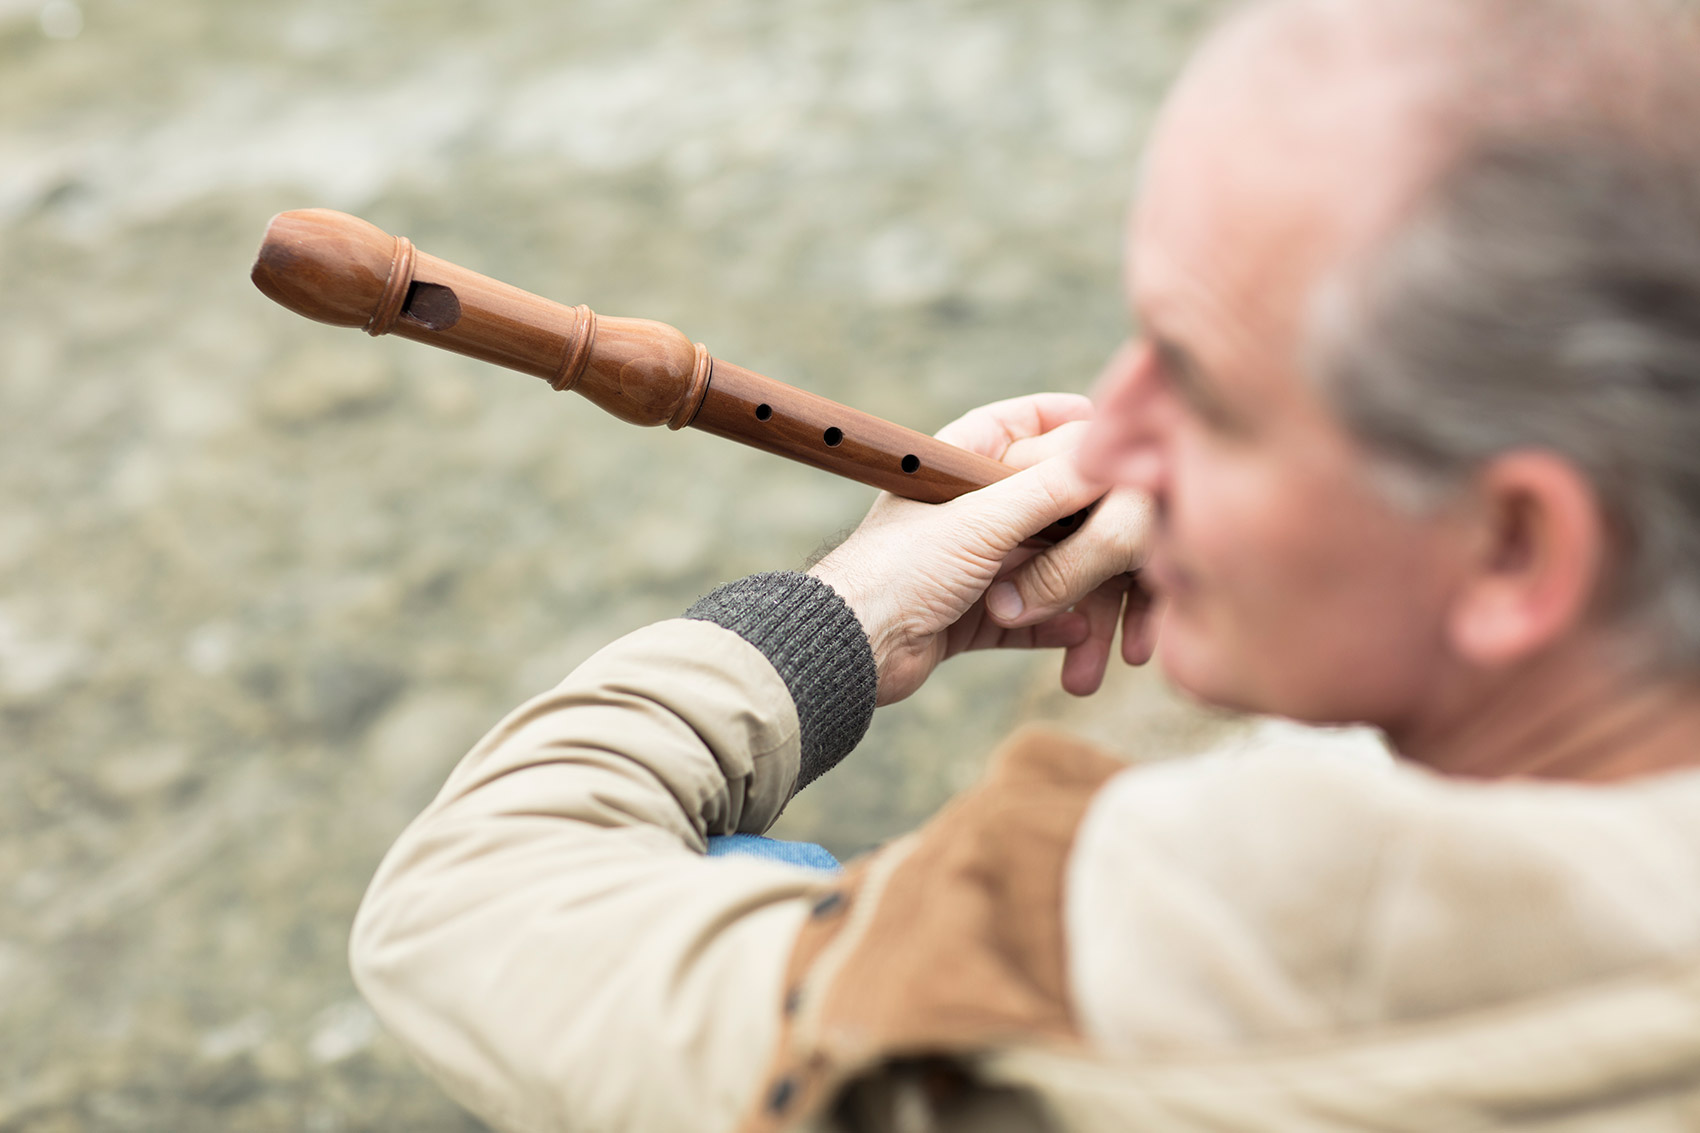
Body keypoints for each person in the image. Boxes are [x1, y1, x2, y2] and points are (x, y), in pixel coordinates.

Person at [349, 0, 1700, 1128]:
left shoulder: (1241, 924)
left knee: (754, 869)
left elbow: (459, 909)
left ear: (1517, 550)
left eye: (1201, 382)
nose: (1108, 434)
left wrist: (834, 616)